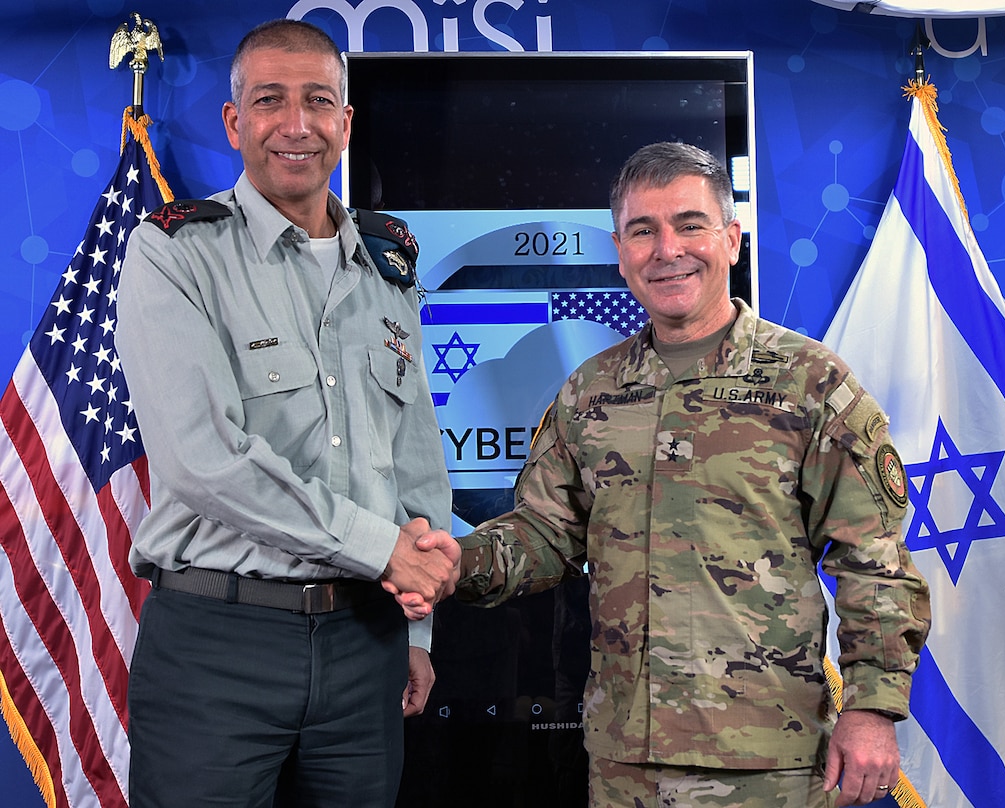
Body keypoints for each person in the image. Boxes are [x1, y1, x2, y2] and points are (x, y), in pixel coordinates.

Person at [396, 141, 931, 808]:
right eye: (643, 231)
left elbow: (873, 560)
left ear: (731, 240)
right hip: (626, 762)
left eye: (689, 224)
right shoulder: (588, 394)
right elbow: (545, 535)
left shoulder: (811, 383)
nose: (666, 248)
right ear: (620, 252)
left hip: (772, 761)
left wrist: (873, 707)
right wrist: (455, 562)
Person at [116, 19, 458, 807]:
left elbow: (414, 457)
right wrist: (383, 551)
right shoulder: (174, 253)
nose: (296, 125)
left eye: (319, 102)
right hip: (218, 646)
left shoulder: (387, 267)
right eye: (270, 101)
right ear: (236, 123)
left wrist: (413, 627)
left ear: (345, 121)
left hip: (365, 644)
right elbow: (203, 460)